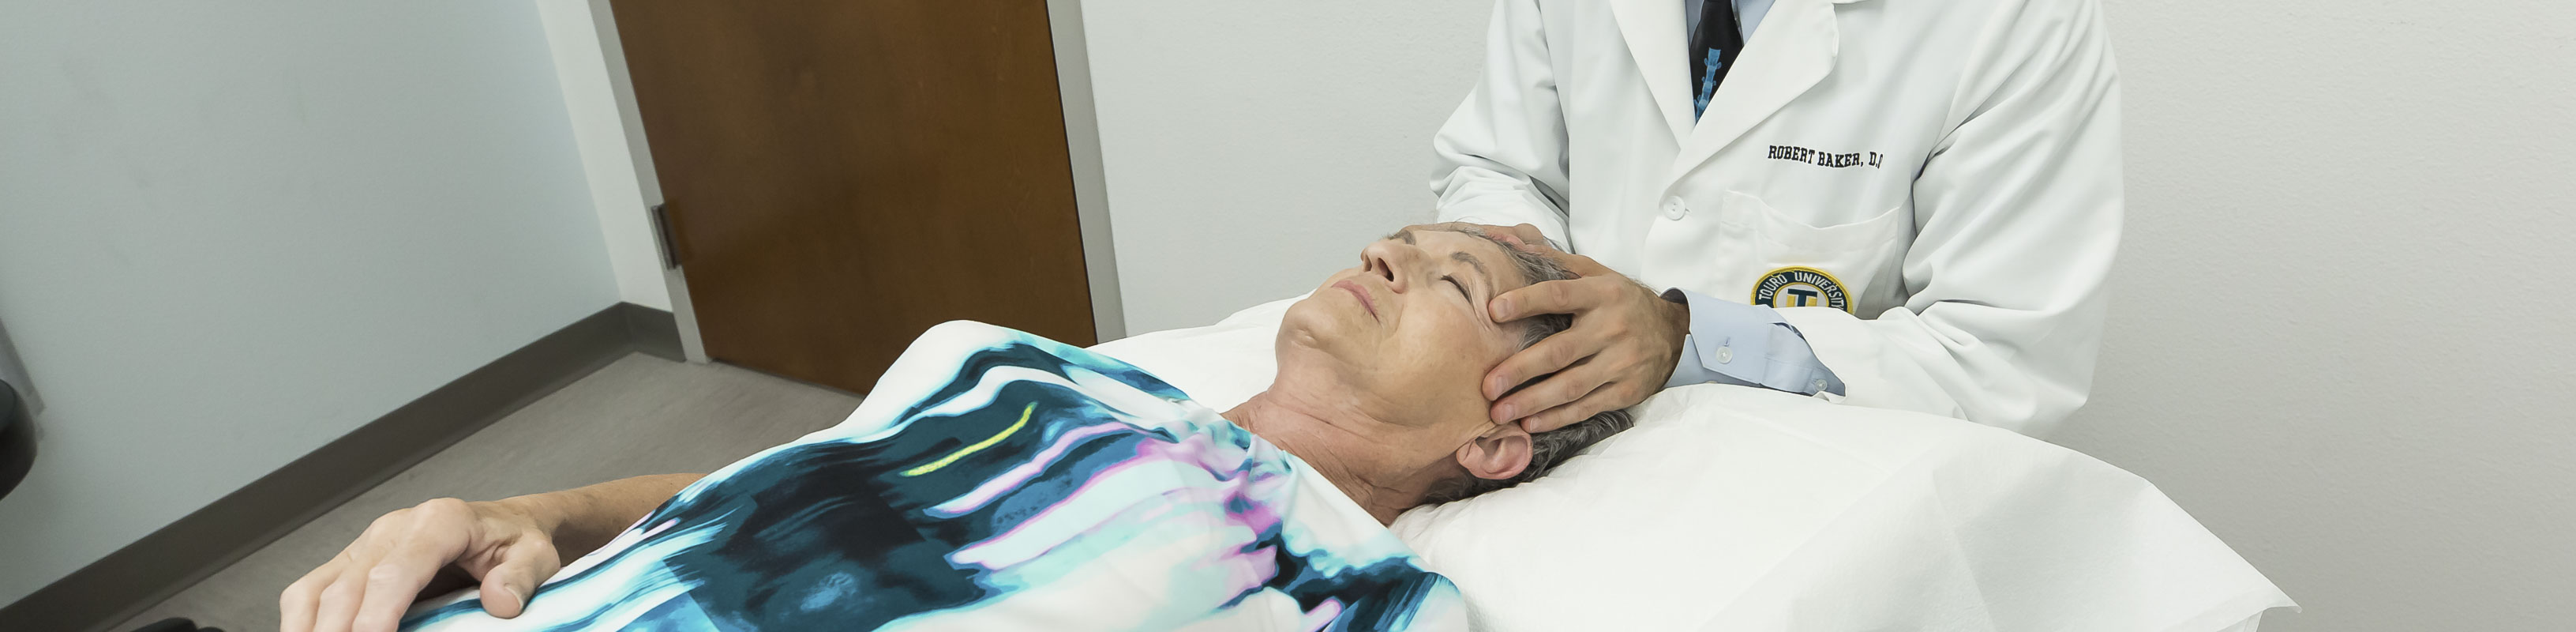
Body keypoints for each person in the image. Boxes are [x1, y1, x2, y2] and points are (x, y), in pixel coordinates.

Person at [278, 228, 1631, 632]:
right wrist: (534, 513)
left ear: (1501, 441)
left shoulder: (1373, 595)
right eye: (1400, 236)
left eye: (1453, 279)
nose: (1389, 253)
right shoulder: (1020, 365)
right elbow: (804, 484)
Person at [1426, 0, 2124, 439]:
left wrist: (1687, 338)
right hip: (1560, 449)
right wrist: (1528, 301)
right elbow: (1499, 168)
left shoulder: (2019, 18)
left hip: (1826, 497)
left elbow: (2001, 364)